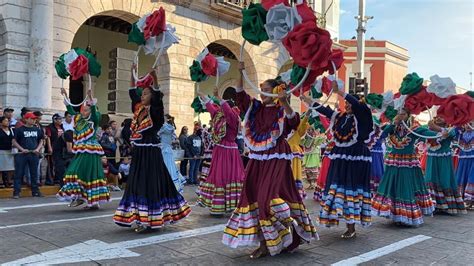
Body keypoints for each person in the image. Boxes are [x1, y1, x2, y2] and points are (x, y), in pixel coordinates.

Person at [223, 62, 316, 258]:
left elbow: (294, 123)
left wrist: (284, 101)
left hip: (277, 158)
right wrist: (240, 71)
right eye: (261, 90)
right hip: (258, 159)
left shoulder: (283, 109)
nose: (262, 93)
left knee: (267, 198)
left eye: (266, 90)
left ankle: (281, 231)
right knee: (252, 196)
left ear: (275, 90)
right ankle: (267, 241)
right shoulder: (255, 108)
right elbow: (240, 95)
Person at [113, 65, 190, 232]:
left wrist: (155, 77)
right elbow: (133, 93)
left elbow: (157, 97)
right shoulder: (139, 109)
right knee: (136, 183)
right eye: (143, 93)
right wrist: (133, 74)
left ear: (153, 95)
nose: (143, 95)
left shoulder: (156, 111)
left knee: (150, 183)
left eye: (146, 93)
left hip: (151, 154)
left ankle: (149, 218)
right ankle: (139, 217)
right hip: (140, 153)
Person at [301, 81, 373, 239]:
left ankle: (351, 226)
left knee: (351, 189)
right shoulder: (341, 117)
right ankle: (343, 219)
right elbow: (325, 111)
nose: (347, 105)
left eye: (349, 103)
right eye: (346, 103)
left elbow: (360, 106)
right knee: (338, 188)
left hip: (356, 157)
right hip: (340, 156)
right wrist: (308, 101)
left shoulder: (363, 115)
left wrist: (340, 92)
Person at [371, 108, 440, 226]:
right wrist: (393, 123)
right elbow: (382, 134)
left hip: (408, 163)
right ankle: (395, 214)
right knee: (393, 187)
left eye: (403, 114)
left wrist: (439, 130)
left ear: (408, 116)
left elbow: (429, 134)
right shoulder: (392, 128)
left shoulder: (413, 129)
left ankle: (406, 216)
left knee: (405, 187)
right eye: (398, 114)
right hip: (394, 162)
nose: (400, 116)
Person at [56, 88, 110, 208]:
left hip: (91, 150)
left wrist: (91, 99)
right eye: (83, 110)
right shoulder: (78, 118)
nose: (84, 112)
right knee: (76, 172)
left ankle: (91, 201)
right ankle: (82, 197)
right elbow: (70, 109)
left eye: (86, 110)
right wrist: (65, 96)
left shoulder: (93, 120)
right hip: (81, 150)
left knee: (88, 174)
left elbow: (96, 114)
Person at [196, 87, 245, 215]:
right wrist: (203, 96)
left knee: (228, 176)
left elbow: (227, 112)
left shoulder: (233, 118)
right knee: (218, 175)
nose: (221, 109)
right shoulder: (219, 116)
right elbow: (212, 108)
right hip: (220, 150)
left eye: (224, 106)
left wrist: (218, 97)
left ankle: (230, 204)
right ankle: (218, 205)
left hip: (229, 151)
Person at [424, 117, 466, 214]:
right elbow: (423, 134)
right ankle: (432, 204)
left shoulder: (453, 129)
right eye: (437, 116)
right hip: (431, 158)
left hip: (444, 159)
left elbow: (448, 133)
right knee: (430, 178)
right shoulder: (428, 130)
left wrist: (434, 127)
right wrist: (432, 127)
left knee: (444, 179)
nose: (439, 118)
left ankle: (446, 206)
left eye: (442, 116)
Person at [11, 112, 44, 198]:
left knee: (34, 174)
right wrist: (22, 149)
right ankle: (16, 192)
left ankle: (35, 191)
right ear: (26, 119)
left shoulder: (37, 130)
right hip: (22, 154)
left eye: (34, 119)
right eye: (31, 119)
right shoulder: (19, 130)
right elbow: (14, 141)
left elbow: (41, 140)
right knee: (19, 173)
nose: (34, 120)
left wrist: (37, 149)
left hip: (33, 154)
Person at [158, 114, 186, 194]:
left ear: (166, 119)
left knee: (165, 166)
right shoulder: (171, 127)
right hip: (169, 150)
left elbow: (157, 134)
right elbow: (175, 140)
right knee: (171, 166)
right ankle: (174, 186)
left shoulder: (163, 127)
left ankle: (165, 186)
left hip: (163, 149)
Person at [287, 114, 310, 199]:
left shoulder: (298, 131)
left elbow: (303, 124)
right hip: (284, 153)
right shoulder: (285, 129)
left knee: (294, 173)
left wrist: (307, 114)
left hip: (294, 154)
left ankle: (294, 192)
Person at [454, 121, 474, 209]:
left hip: (472, 159)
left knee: (471, 178)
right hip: (463, 159)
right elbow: (455, 128)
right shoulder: (460, 134)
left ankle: (470, 200)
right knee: (461, 177)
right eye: (467, 123)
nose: (469, 125)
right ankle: (462, 198)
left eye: (472, 124)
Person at [301, 126, 326, 192]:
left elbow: (322, 139)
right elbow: (302, 142)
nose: (310, 131)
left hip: (314, 154)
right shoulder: (305, 137)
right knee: (307, 170)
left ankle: (313, 183)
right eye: (309, 129)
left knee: (313, 169)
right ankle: (310, 183)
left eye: (311, 129)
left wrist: (319, 136)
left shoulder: (317, 136)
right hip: (307, 154)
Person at [45, 113, 65, 186]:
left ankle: (57, 179)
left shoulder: (62, 127)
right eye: (59, 119)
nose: (60, 120)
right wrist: (50, 147)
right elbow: (48, 137)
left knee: (59, 165)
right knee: (51, 164)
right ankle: (49, 180)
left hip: (60, 149)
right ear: (54, 120)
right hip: (52, 148)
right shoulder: (49, 127)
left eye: (61, 119)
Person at [0, 116, 15, 188]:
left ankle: (9, 181)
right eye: (5, 121)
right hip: (1, 150)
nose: (7, 122)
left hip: (10, 150)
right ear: (1, 122)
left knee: (10, 167)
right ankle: (1, 181)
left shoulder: (11, 130)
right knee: (1, 167)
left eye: (7, 121)